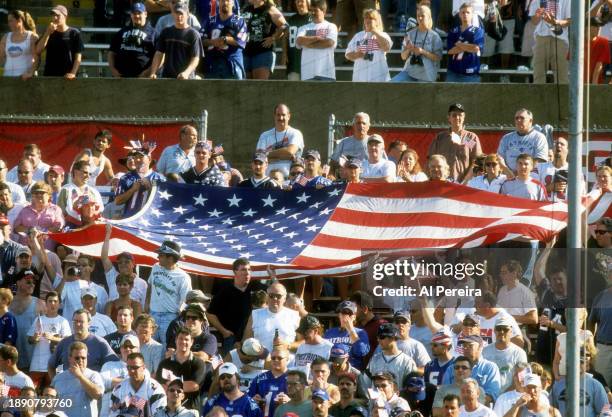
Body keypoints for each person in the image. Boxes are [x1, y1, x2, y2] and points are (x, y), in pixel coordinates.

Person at [207, 258, 267, 354]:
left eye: (249, 269)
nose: (247, 273)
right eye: (243, 269)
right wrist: (224, 331)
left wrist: (273, 277)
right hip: (232, 340)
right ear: (235, 271)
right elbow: (210, 314)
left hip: (255, 338)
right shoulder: (225, 291)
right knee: (232, 367)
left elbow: (278, 292)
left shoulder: (256, 287)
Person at [145, 240, 192, 346]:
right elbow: (150, 285)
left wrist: (179, 319)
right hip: (152, 315)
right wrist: (146, 303)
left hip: (170, 317)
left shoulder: (183, 277)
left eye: (161, 255)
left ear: (170, 258)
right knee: (148, 345)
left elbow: (186, 301)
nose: (158, 257)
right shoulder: (155, 267)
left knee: (168, 347)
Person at [48, 309, 118, 378]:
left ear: (89, 324)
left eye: (81, 322)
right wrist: (56, 382)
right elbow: (52, 365)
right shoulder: (64, 343)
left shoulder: (100, 343)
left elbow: (114, 364)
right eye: (75, 321)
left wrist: (104, 381)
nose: (78, 324)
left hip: (90, 386)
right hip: (68, 387)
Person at [428, 103, 482, 183]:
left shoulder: (470, 138)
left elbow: (477, 161)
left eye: (460, 115)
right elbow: (431, 160)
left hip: (464, 184)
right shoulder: (440, 138)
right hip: (442, 183)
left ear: (464, 117)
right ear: (449, 118)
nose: (457, 118)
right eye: (454, 115)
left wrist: (465, 181)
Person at [27, 290, 71, 387]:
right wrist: (34, 338)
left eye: (55, 301)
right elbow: (29, 340)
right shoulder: (39, 319)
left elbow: (68, 341)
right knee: (31, 392)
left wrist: (52, 338)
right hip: (37, 364)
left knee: (54, 393)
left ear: (59, 304)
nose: (52, 303)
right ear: (46, 303)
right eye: (50, 301)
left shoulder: (63, 321)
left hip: (57, 364)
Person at [155, 327, 206, 410]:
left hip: (190, 410)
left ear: (192, 342)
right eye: (180, 338)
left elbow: (193, 386)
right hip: (168, 410)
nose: (183, 342)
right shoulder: (164, 363)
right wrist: (181, 386)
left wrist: (170, 384)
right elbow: (160, 386)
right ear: (176, 340)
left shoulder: (199, 363)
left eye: (186, 339)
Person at [149, 1, 203, 79]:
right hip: (167, 78)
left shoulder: (193, 34)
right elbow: (159, 54)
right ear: (173, 14)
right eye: (176, 13)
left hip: (186, 79)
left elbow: (195, 58)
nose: (179, 16)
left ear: (187, 15)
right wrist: (153, 72)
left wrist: (186, 73)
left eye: (181, 14)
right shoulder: (166, 32)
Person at [52, 341, 105, 417]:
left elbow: (98, 395)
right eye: (77, 358)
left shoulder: (93, 375)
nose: (80, 361)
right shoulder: (58, 378)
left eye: (83, 358)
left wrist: (80, 376)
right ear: (69, 358)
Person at [551, 348, 609, 417]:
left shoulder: (596, 385)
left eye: (581, 362)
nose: (577, 364)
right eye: (574, 361)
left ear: (586, 365)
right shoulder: (557, 385)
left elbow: (606, 411)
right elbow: (550, 410)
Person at [393, 4, 443, 82]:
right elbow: (403, 56)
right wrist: (409, 49)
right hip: (409, 71)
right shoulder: (410, 34)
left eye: (422, 16)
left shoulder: (434, 36)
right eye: (418, 16)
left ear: (429, 17)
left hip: (427, 75)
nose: (420, 18)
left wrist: (422, 52)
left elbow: (438, 58)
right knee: (393, 84)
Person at [115, 140, 165, 217]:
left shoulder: (159, 178)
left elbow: (163, 200)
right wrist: (132, 190)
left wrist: (151, 187)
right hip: (130, 220)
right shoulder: (126, 178)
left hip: (150, 220)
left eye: (141, 157)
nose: (137, 160)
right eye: (135, 157)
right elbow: (117, 201)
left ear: (149, 159)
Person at [102, 224, 148, 307]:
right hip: (112, 317)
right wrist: (108, 234)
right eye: (120, 262)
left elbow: (144, 306)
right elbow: (104, 258)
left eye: (126, 262)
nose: (123, 264)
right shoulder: (113, 276)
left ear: (133, 264)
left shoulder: (142, 283)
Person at [9, 269, 47, 370]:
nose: (32, 285)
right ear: (18, 282)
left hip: (34, 362)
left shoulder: (40, 304)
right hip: (11, 362)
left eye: (34, 282)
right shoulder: (6, 303)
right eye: (28, 282)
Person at [109, 352, 167, 417]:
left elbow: (160, 415)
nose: (132, 371)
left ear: (143, 367)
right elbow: (112, 413)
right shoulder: (119, 389)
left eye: (135, 367)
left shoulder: (156, 390)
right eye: (129, 367)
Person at [201, 0, 247, 79]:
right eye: (222, 1)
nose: (225, 3)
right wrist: (213, 42)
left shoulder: (239, 21)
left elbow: (241, 41)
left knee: (236, 90)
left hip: (232, 63)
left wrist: (225, 39)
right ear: (219, 2)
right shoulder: (210, 20)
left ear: (233, 3)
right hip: (212, 64)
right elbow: (200, 40)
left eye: (228, 1)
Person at [108, 3, 157, 78]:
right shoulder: (121, 32)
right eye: (134, 13)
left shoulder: (153, 33)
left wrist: (147, 72)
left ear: (145, 14)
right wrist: (113, 70)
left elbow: (160, 57)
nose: (137, 16)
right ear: (131, 15)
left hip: (143, 79)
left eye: (139, 13)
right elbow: (111, 53)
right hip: (122, 78)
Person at [255, 104, 304, 177]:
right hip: (269, 180)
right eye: (278, 115)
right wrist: (283, 154)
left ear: (288, 116)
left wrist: (267, 154)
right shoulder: (265, 135)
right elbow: (259, 157)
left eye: (283, 115)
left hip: (290, 179)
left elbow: (290, 152)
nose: (281, 118)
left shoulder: (295, 133)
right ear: (274, 116)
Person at [35, 5, 84, 79]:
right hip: (49, 76)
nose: (54, 18)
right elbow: (38, 50)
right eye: (53, 15)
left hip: (68, 77)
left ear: (65, 16)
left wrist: (73, 73)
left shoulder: (74, 33)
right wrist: (47, 33)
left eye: (58, 15)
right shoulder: (48, 31)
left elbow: (78, 57)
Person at [242, 0, 287, 79]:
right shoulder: (246, 9)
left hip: (263, 52)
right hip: (246, 52)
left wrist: (273, 38)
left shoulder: (269, 8)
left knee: (259, 86)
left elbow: (284, 26)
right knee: (245, 87)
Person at [482, 316, 528, 393]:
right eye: (499, 329)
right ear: (494, 331)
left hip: (510, 396)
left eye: (505, 329)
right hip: (488, 395)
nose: (502, 332)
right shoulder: (485, 351)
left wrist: (504, 395)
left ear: (511, 331)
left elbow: (522, 378)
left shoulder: (520, 353)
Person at [528, 0, 570, 84]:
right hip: (541, 37)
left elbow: (569, 20)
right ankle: (539, 97)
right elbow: (534, 21)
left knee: (562, 77)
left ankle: (562, 97)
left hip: (560, 39)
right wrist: (537, 15)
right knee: (538, 75)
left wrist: (555, 22)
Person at [367, 323, 417, 391]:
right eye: (378, 337)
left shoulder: (407, 361)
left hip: (397, 400)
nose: (378, 340)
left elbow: (411, 388)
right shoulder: (374, 359)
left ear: (393, 337)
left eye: (382, 337)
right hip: (376, 400)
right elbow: (367, 384)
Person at [345, 9, 392, 82]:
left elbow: (386, 48)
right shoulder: (358, 36)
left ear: (377, 21)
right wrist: (357, 55)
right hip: (360, 79)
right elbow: (347, 54)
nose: (367, 20)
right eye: (365, 18)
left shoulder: (383, 35)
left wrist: (374, 31)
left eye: (370, 18)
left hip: (379, 79)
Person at [99, 334, 140, 417]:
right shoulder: (108, 365)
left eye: (131, 346)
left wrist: (113, 382)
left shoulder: (142, 369)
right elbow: (101, 384)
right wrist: (130, 382)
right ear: (120, 349)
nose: (128, 349)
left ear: (138, 349)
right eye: (124, 346)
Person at [296, 0, 338, 81]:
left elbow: (329, 42)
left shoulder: (331, 26)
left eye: (316, 10)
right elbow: (299, 41)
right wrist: (316, 38)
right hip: (308, 74)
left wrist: (309, 44)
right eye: (311, 10)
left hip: (327, 74)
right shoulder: (304, 27)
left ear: (324, 12)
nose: (313, 13)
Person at [324, 301, 370, 370]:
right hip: (330, 369)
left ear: (354, 317)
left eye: (349, 313)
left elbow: (361, 352)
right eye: (343, 313)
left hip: (350, 370)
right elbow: (322, 352)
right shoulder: (329, 332)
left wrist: (350, 330)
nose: (346, 316)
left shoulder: (361, 332)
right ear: (339, 315)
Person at [57, 160, 104, 226]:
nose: (88, 176)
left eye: (89, 174)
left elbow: (100, 210)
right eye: (85, 172)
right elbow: (61, 213)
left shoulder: (94, 191)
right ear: (75, 172)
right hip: (71, 226)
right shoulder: (66, 190)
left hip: (91, 226)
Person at [446, 2, 485, 83]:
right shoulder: (453, 31)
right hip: (453, 72)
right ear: (459, 15)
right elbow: (450, 51)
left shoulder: (478, 31)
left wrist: (459, 44)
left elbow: (476, 48)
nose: (465, 14)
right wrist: (468, 46)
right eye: (463, 12)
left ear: (472, 15)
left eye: (468, 12)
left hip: (470, 74)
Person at [248, 347, 289, 417]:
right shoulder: (259, 378)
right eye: (273, 358)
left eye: (279, 358)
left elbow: (303, 402)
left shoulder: (294, 378)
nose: (276, 360)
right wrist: (253, 400)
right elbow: (248, 399)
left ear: (287, 359)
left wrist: (290, 401)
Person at [0, 10, 39, 79]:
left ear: (19, 20)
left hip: (25, 79)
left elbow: (36, 58)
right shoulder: (6, 37)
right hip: (8, 78)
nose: (9, 23)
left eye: (11, 21)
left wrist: (31, 72)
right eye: (8, 21)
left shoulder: (32, 36)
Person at [283, 0, 312, 80]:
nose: (299, 4)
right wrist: (284, 54)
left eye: (302, 1)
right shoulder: (291, 19)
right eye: (297, 1)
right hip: (293, 61)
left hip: (309, 60)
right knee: (293, 89)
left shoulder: (313, 18)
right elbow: (285, 37)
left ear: (307, 2)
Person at [586, 16, 611, 84]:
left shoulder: (603, 42)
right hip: (579, 83)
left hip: (595, 83)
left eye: (599, 26)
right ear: (587, 27)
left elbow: (599, 66)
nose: (598, 29)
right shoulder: (578, 41)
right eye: (595, 26)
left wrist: (593, 86)